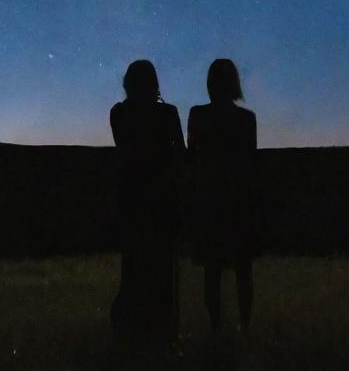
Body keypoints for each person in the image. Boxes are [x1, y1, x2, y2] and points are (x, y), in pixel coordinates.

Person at [109, 59, 185, 344]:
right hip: (162, 200)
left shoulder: (119, 113)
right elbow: (180, 156)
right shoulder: (168, 113)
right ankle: (161, 332)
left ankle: (130, 332)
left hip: (133, 199)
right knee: (162, 271)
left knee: (133, 269)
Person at [187, 58, 258, 333]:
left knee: (212, 269)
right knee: (243, 268)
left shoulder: (198, 114)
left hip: (210, 197)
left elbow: (192, 152)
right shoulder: (246, 119)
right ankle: (244, 324)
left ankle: (216, 325)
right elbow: (249, 160)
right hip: (238, 197)